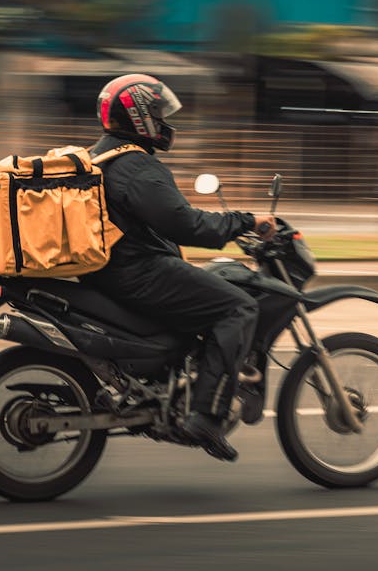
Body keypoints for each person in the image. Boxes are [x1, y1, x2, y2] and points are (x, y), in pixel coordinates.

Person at [80, 74, 274, 462]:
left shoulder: (96, 157)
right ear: (139, 117)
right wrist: (245, 222)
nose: (165, 122)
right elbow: (186, 224)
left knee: (205, 293)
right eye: (158, 113)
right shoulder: (136, 165)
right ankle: (207, 416)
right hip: (140, 273)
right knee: (238, 307)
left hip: (108, 273)